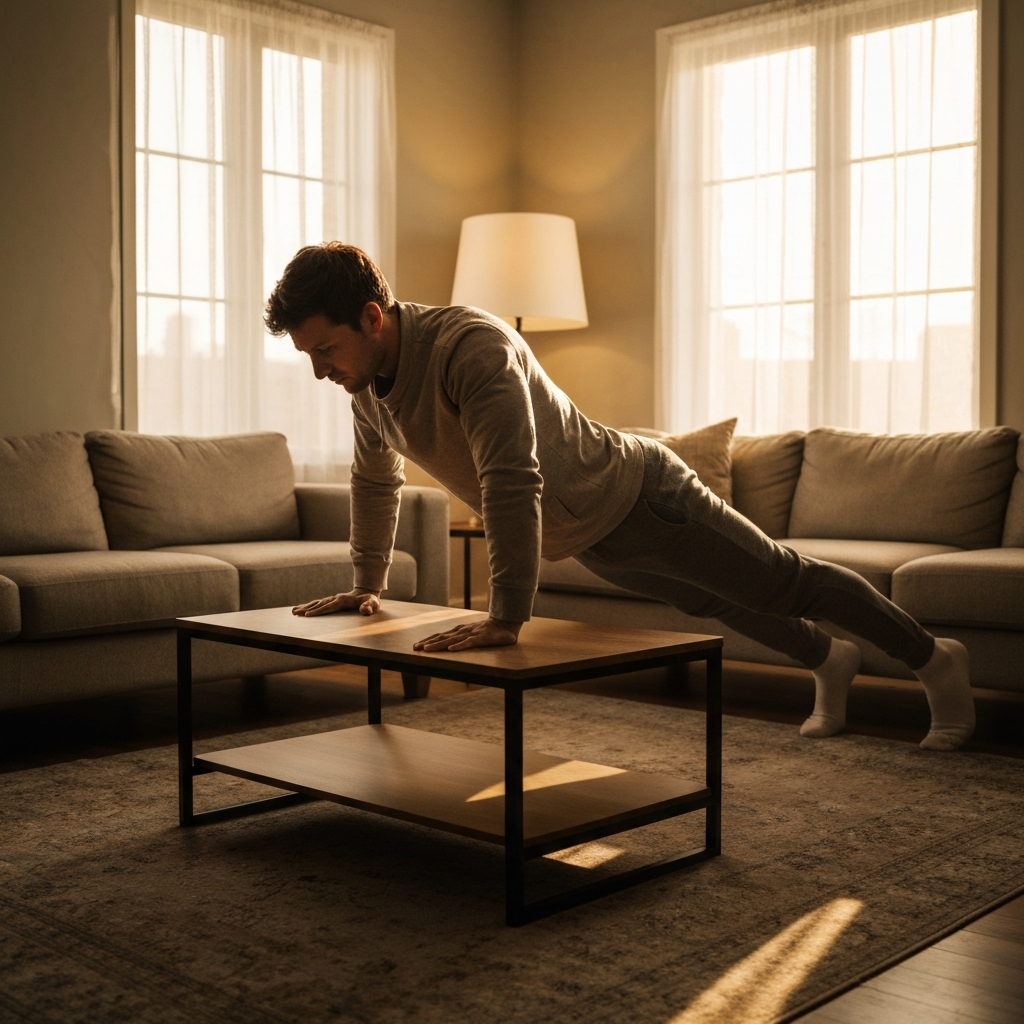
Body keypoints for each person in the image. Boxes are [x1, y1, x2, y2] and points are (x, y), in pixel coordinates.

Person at [265, 242, 975, 752]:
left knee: (785, 581)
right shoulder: (366, 388)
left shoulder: (471, 347)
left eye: (325, 350)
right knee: (714, 600)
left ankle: (935, 659)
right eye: (309, 356)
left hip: (645, 496)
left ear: (372, 317)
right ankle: (828, 658)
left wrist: (506, 615)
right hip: (588, 534)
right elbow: (374, 480)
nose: (321, 371)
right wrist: (366, 583)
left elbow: (511, 477)